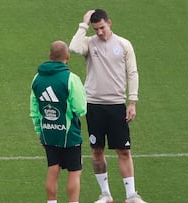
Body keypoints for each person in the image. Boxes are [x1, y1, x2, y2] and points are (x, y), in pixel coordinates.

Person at [69, 9, 147, 203]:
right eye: (96, 29)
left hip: (116, 105)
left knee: (124, 150)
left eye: (102, 28)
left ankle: (131, 195)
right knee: (97, 150)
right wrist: (83, 24)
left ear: (109, 23)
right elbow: (73, 48)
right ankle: (105, 194)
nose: (99, 32)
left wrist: (133, 102)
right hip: (94, 105)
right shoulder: (89, 42)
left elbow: (132, 73)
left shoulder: (123, 44)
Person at [30, 40, 87, 203]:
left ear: (49, 56)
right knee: (75, 171)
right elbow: (80, 108)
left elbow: (34, 108)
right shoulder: (71, 78)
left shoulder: (37, 78)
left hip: (48, 133)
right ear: (67, 57)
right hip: (69, 134)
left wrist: (39, 131)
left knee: (53, 169)